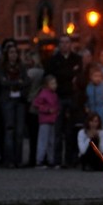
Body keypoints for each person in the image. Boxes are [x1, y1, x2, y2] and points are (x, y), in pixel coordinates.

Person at [46, 35, 83, 167]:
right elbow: (53, 76)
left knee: (70, 130)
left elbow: (79, 77)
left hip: (72, 97)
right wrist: (69, 74)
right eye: (62, 42)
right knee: (58, 129)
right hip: (58, 97)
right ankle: (56, 160)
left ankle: (69, 160)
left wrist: (67, 75)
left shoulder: (77, 59)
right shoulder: (54, 60)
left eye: (67, 42)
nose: (65, 45)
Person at [0, 44, 31, 168]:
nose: (13, 55)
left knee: (19, 131)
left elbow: (27, 81)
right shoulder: (2, 67)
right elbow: (3, 82)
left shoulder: (21, 67)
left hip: (20, 100)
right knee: (9, 129)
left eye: (15, 52)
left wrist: (13, 83)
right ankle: (9, 159)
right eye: (11, 52)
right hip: (8, 100)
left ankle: (18, 159)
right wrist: (18, 82)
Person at [31, 74, 60, 168]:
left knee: (51, 141)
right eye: (52, 83)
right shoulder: (43, 94)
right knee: (43, 141)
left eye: (55, 83)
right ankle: (40, 160)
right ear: (46, 85)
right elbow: (36, 104)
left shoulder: (54, 94)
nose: (55, 85)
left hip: (52, 119)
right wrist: (47, 109)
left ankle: (50, 160)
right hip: (45, 120)